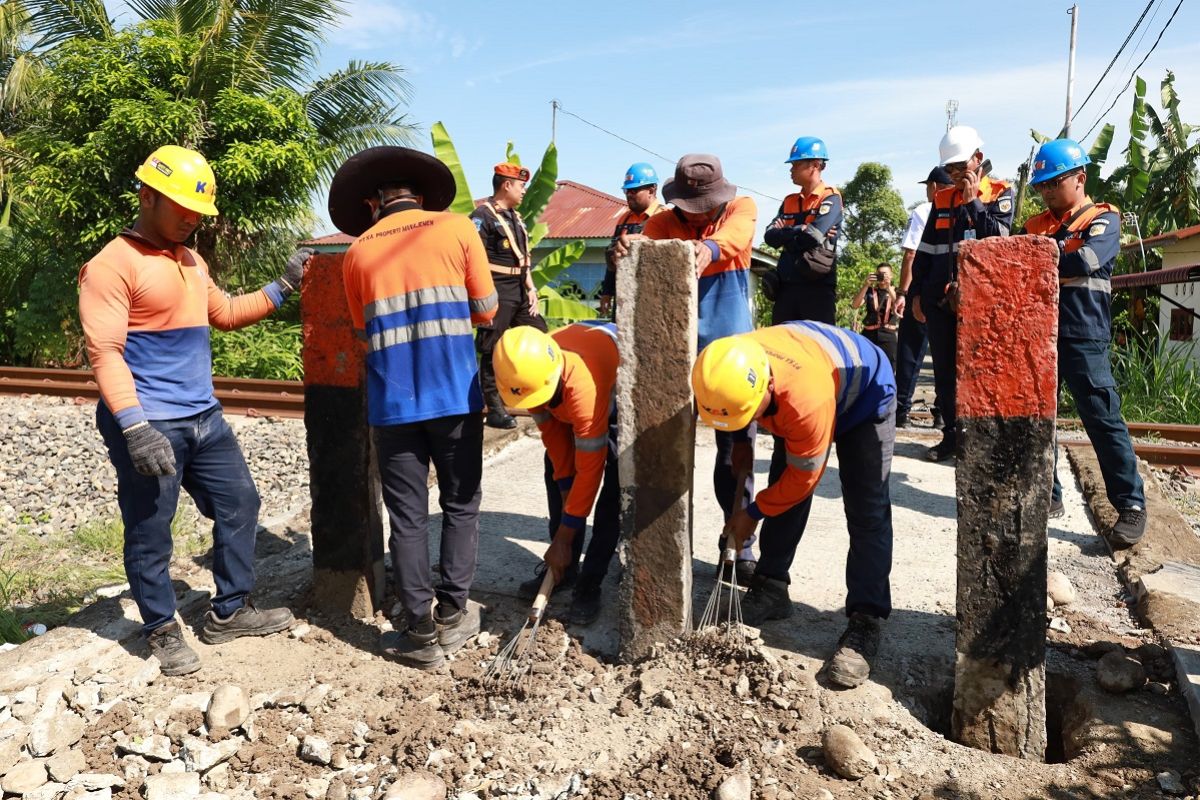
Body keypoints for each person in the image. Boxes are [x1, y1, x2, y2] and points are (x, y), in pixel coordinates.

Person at [79, 145, 304, 676]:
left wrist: (284, 285)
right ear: (148, 195)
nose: (191, 219)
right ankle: (159, 626)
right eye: (182, 208)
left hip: (204, 418)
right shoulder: (112, 265)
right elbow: (104, 353)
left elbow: (223, 313)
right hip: (149, 423)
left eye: (197, 212)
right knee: (151, 527)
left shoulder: (190, 260)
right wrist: (135, 428)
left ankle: (229, 611)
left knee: (240, 503)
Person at [331, 146, 499, 670]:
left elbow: (363, 331)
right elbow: (488, 310)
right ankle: (453, 611)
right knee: (460, 503)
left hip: (392, 405)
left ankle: (420, 631)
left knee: (407, 517)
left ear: (373, 202)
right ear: (421, 196)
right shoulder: (456, 229)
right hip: (454, 399)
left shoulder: (357, 253)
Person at [692, 322, 896, 688]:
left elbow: (805, 479)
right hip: (807, 374)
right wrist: (739, 437)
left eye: (752, 412)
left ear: (768, 387)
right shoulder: (728, 364)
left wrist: (752, 514)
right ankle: (771, 586)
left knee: (866, 507)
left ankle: (866, 620)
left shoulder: (805, 402)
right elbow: (732, 406)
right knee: (780, 485)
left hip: (863, 397)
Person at [613, 153, 759, 579]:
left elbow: (734, 237)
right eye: (687, 210)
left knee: (735, 455)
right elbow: (645, 244)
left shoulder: (740, 209)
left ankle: (740, 543)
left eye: (702, 209)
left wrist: (707, 249)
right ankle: (656, 545)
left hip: (730, 359)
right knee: (662, 448)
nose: (694, 218)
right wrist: (630, 246)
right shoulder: (662, 223)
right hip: (673, 357)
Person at [1022, 138, 1147, 546]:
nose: (1046, 191)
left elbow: (1089, 260)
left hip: (1083, 333)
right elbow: (1021, 265)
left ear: (1080, 177)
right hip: (1039, 333)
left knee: (1102, 418)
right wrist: (1057, 255)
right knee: (1039, 420)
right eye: (1041, 185)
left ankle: (1130, 505)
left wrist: (1047, 256)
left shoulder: (1103, 218)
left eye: (1053, 183)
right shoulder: (1034, 226)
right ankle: (1049, 495)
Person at [492, 322, 620, 624]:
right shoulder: (525, 374)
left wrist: (565, 534)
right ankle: (564, 569)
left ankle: (590, 582)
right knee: (555, 471)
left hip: (614, 390)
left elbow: (590, 471)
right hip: (563, 384)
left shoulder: (585, 390)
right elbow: (557, 447)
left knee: (615, 487)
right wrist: (567, 500)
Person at [911, 126, 1014, 462]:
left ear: (979, 159)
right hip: (940, 301)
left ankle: (979, 443)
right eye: (950, 170)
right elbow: (925, 250)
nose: (955, 176)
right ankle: (952, 437)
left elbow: (996, 244)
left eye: (960, 168)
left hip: (982, 305)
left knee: (980, 374)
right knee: (945, 373)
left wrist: (973, 203)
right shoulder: (941, 199)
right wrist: (916, 294)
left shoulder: (1000, 194)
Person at [471, 163, 547, 430]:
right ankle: (494, 409)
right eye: (520, 185)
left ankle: (545, 397)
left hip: (519, 289)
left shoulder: (516, 217)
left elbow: (523, 258)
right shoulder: (483, 215)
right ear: (506, 185)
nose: (524, 190)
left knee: (540, 336)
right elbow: (474, 259)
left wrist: (531, 288)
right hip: (496, 290)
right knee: (491, 348)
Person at [895, 166, 954, 428]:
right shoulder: (958, 208)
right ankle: (942, 415)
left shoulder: (923, 210)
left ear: (933, 187)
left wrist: (903, 292)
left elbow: (911, 255)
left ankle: (901, 411)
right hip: (951, 293)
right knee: (947, 355)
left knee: (910, 351)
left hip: (923, 288)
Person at [762, 137, 843, 325]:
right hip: (786, 286)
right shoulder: (789, 201)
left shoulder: (830, 197)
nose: (791, 170)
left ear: (815, 165)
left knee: (819, 347)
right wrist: (800, 229)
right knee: (781, 346)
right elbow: (769, 237)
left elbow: (812, 236)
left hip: (817, 287)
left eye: (796, 164)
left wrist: (787, 234)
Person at [598, 163, 666, 317]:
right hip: (625, 295)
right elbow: (613, 260)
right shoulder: (624, 218)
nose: (629, 195)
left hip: (654, 296)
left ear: (651, 190)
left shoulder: (665, 217)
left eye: (634, 190)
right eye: (626, 191)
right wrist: (607, 292)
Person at [852, 264, 899, 367]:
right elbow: (855, 305)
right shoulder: (870, 291)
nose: (882, 276)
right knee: (867, 366)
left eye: (885, 274)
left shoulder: (896, 291)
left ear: (891, 276)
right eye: (879, 274)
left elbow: (900, 307)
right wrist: (866, 285)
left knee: (889, 368)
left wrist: (889, 288)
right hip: (869, 334)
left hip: (888, 335)